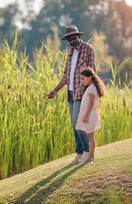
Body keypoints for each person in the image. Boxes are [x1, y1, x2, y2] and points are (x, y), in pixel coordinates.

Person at [47, 25, 96, 165]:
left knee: (78, 121)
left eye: (73, 37)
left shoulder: (88, 49)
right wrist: (55, 90)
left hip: (82, 91)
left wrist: (90, 91)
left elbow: (92, 72)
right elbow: (65, 76)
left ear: (78, 36)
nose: (71, 40)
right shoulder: (69, 53)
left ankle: (87, 151)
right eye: (69, 38)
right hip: (70, 91)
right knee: (74, 123)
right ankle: (79, 153)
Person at [76, 67, 106, 164]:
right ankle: (89, 156)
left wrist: (86, 116)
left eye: (83, 79)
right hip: (89, 115)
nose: (82, 81)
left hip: (89, 116)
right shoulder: (90, 88)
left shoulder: (92, 88)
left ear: (90, 77)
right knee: (89, 136)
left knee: (90, 137)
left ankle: (91, 157)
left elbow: (91, 103)